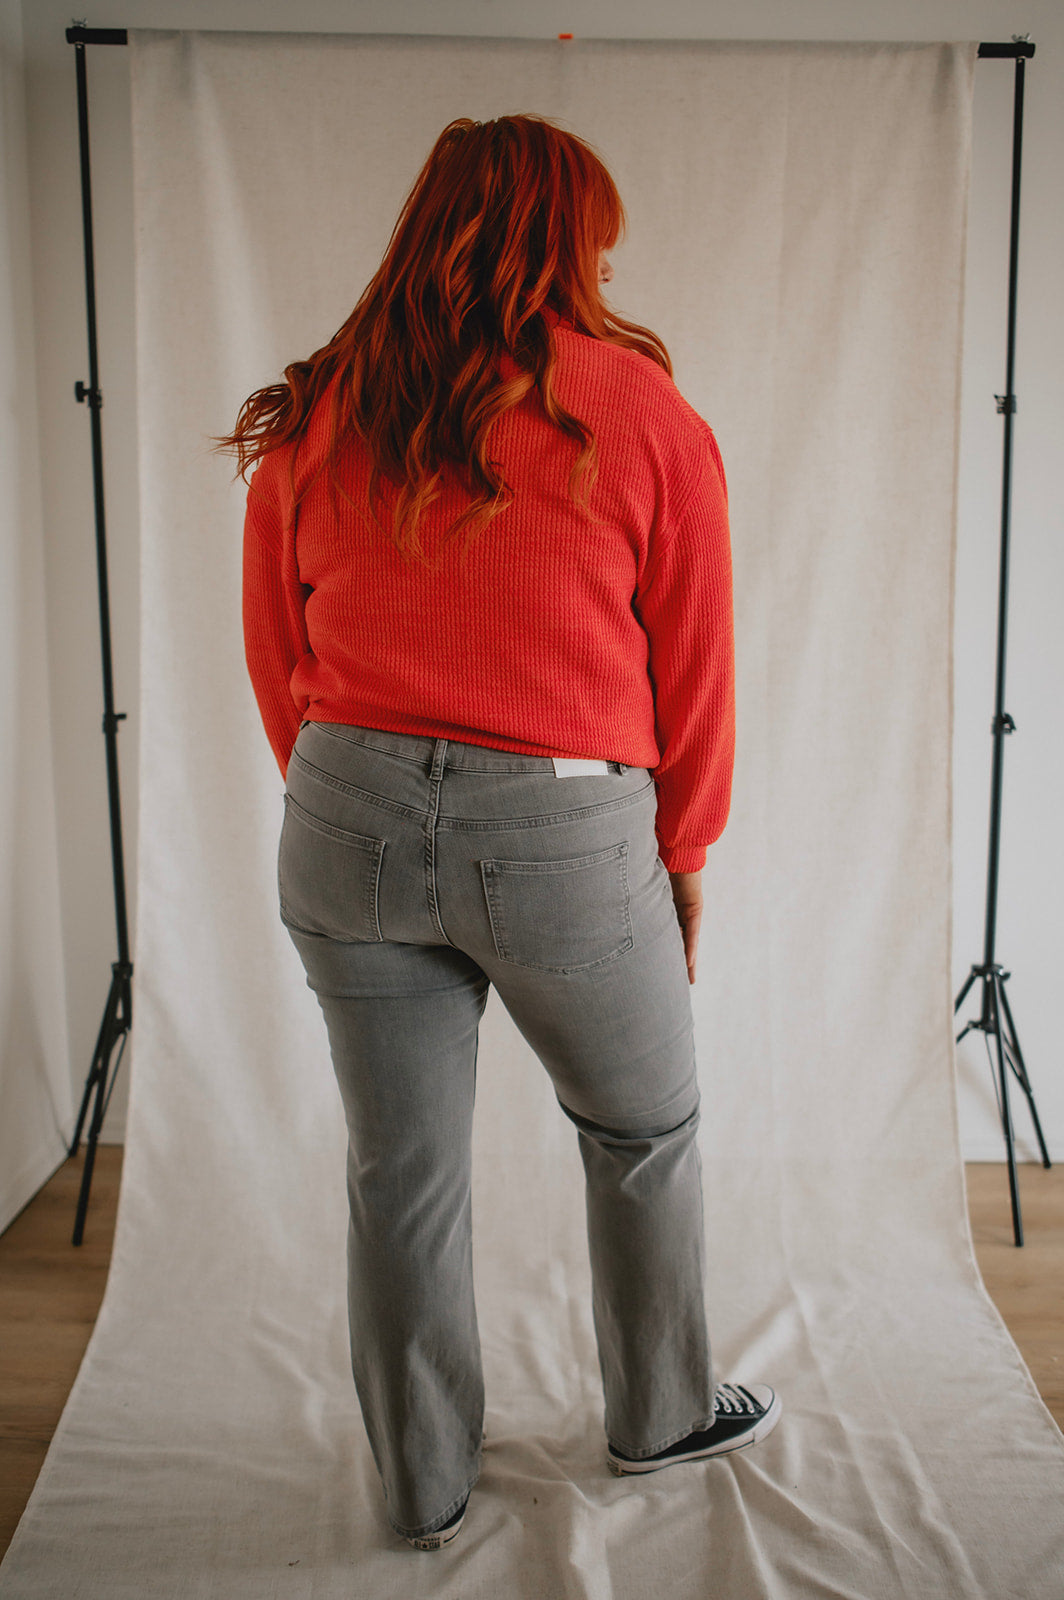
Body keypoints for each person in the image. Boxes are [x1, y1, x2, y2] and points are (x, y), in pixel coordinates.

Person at [218, 113, 780, 1552]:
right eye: (598, 241)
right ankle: (660, 1414)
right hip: (566, 831)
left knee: (398, 1176)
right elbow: (696, 665)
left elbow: (280, 655)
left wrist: (356, 800)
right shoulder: (645, 413)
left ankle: (420, 1488)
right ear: (568, 243)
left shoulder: (327, 406)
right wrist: (686, 850)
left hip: (341, 820)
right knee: (643, 1130)